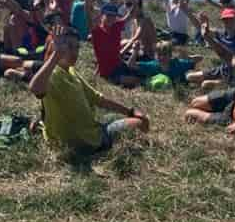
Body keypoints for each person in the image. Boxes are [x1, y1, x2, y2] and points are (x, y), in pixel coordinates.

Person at [28, 26, 149, 155]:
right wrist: (56, 56)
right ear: (56, 47)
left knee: (116, 116)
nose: (74, 52)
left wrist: (129, 111)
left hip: (87, 129)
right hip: (89, 141)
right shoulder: (52, 74)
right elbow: (35, 88)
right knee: (142, 122)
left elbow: (97, 98)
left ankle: (41, 124)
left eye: (77, 48)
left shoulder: (70, 70)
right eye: (69, 46)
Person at [72, 0, 138, 88]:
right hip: (108, 73)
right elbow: (87, 10)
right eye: (108, 16)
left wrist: (134, 2)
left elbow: (132, 14)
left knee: (139, 76)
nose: (111, 18)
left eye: (113, 16)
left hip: (119, 65)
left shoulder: (117, 25)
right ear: (102, 15)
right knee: (133, 81)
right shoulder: (96, 30)